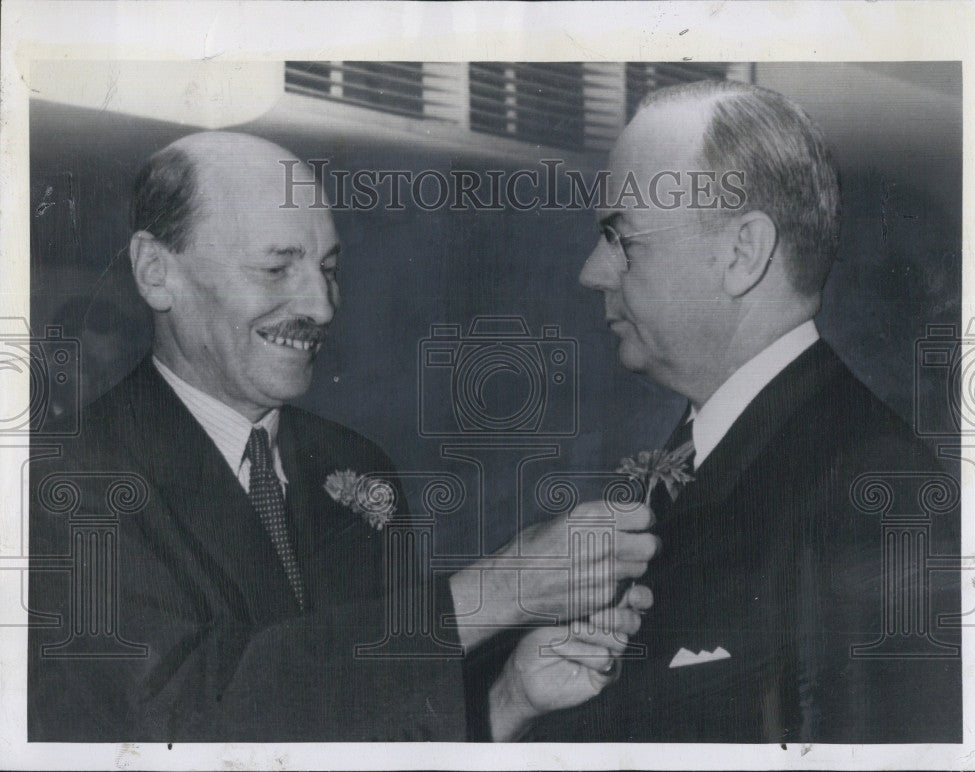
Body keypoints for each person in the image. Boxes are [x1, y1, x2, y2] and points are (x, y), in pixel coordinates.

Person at [28, 131, 656, 742]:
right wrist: (493, 592)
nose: (323, 307)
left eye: (328, 268)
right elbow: (177, 719)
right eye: (277, 268)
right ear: (156, 271)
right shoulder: (58, 477)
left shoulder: (356, 466)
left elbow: (381, 721)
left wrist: (508, 700)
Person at [523, 80, 962, 743]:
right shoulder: (713, 448)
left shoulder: (874, 487)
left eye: (622, 238)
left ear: (741, 254)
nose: (592, 271)